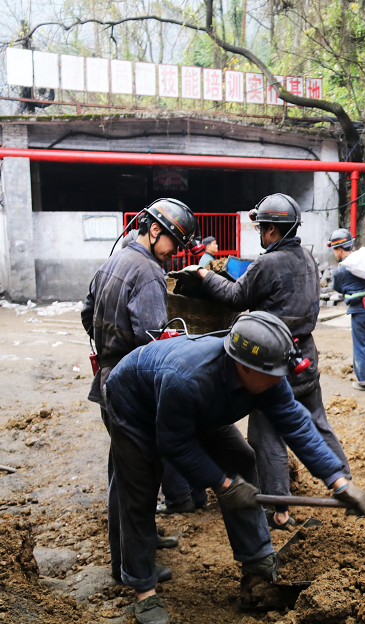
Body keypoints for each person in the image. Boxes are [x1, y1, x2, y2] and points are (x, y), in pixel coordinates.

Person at [102, 311, 365, 624]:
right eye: (273, 374)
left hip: (194, 408)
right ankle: (142, 589)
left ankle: (256, 560)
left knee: (241, 460)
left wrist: (338, 481)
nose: (278, 380)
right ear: (244, 366)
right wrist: (222, 485)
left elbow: (296, 423)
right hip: (134, 404)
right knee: (140, 487)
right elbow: (174, 444)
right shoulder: (188, 379)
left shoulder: (267, 378)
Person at [192, 193, 351, 531]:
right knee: (317, 421)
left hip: (272, 360)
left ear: (272, 230)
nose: (261, 235)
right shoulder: (307, 258)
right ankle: (345, 484)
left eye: (262, 228)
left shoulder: (268, 264)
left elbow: (237, 297)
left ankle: (278, 508)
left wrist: (206, 276)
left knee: (267, 436)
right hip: (305, 353)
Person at [81, 199, 199, 585]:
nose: (173, 253)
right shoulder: (148, 272)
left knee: (124, 470)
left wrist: (107, 342)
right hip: (132, 388)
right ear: (153, 231)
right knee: (138, 479)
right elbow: (154, 342)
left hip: (108, 380)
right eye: (173, 243)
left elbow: (87, 313)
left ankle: (141, 541)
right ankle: (128, 565)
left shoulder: (111, 262)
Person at [328, 228, 365, 392]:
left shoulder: (341, 270)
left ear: (339, 249)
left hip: (360, 311)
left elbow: (338, 288)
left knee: (361, 345)